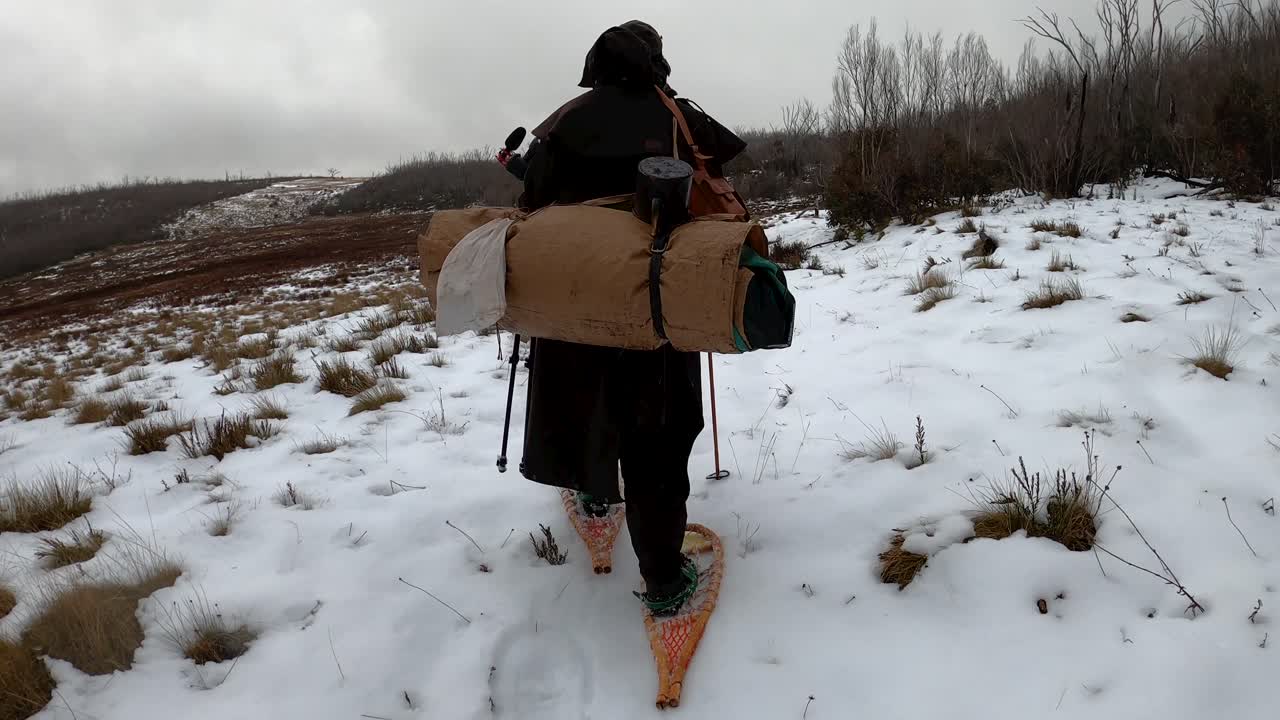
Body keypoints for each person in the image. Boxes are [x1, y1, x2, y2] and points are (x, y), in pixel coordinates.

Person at [517, 21, 746, 616]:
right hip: (655, 306)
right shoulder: (675, 115)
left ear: (596, 62)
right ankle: (665, 583)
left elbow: (532, 199)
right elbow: (718, 169)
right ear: (655, 61)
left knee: (585, 408)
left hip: (573, 307)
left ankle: (595, 500)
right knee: (657, 445)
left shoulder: (564, 120)